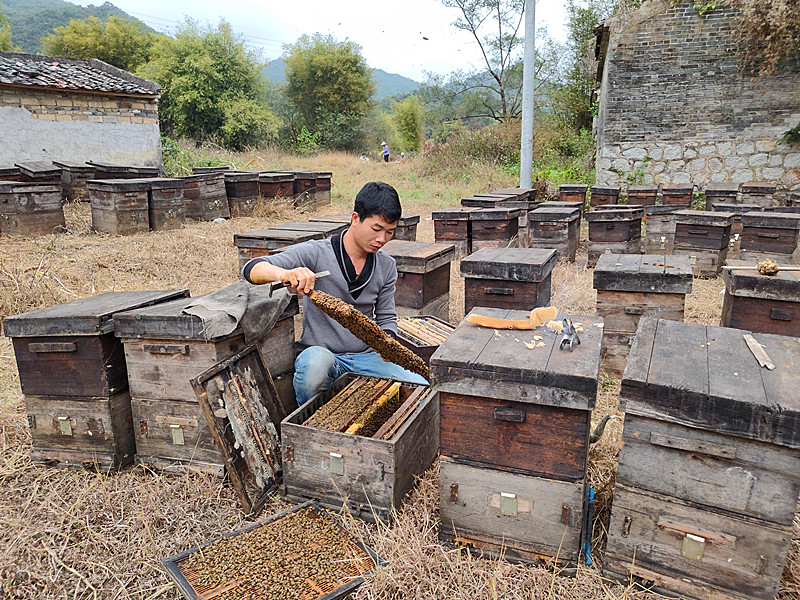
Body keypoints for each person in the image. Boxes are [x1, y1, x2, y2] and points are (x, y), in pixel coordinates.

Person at [242, 181, 428, 405]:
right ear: (355, 218)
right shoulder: (317, 252)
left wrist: (388, 344)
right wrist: (284, 274)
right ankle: (310, 421)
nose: (382, 239)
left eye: (390, 232)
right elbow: (252, 268)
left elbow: (386, 316)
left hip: (367, 357)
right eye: (376, 229)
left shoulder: (386, 265)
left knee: (420, 390)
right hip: (321, 354)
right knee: (314, 369)